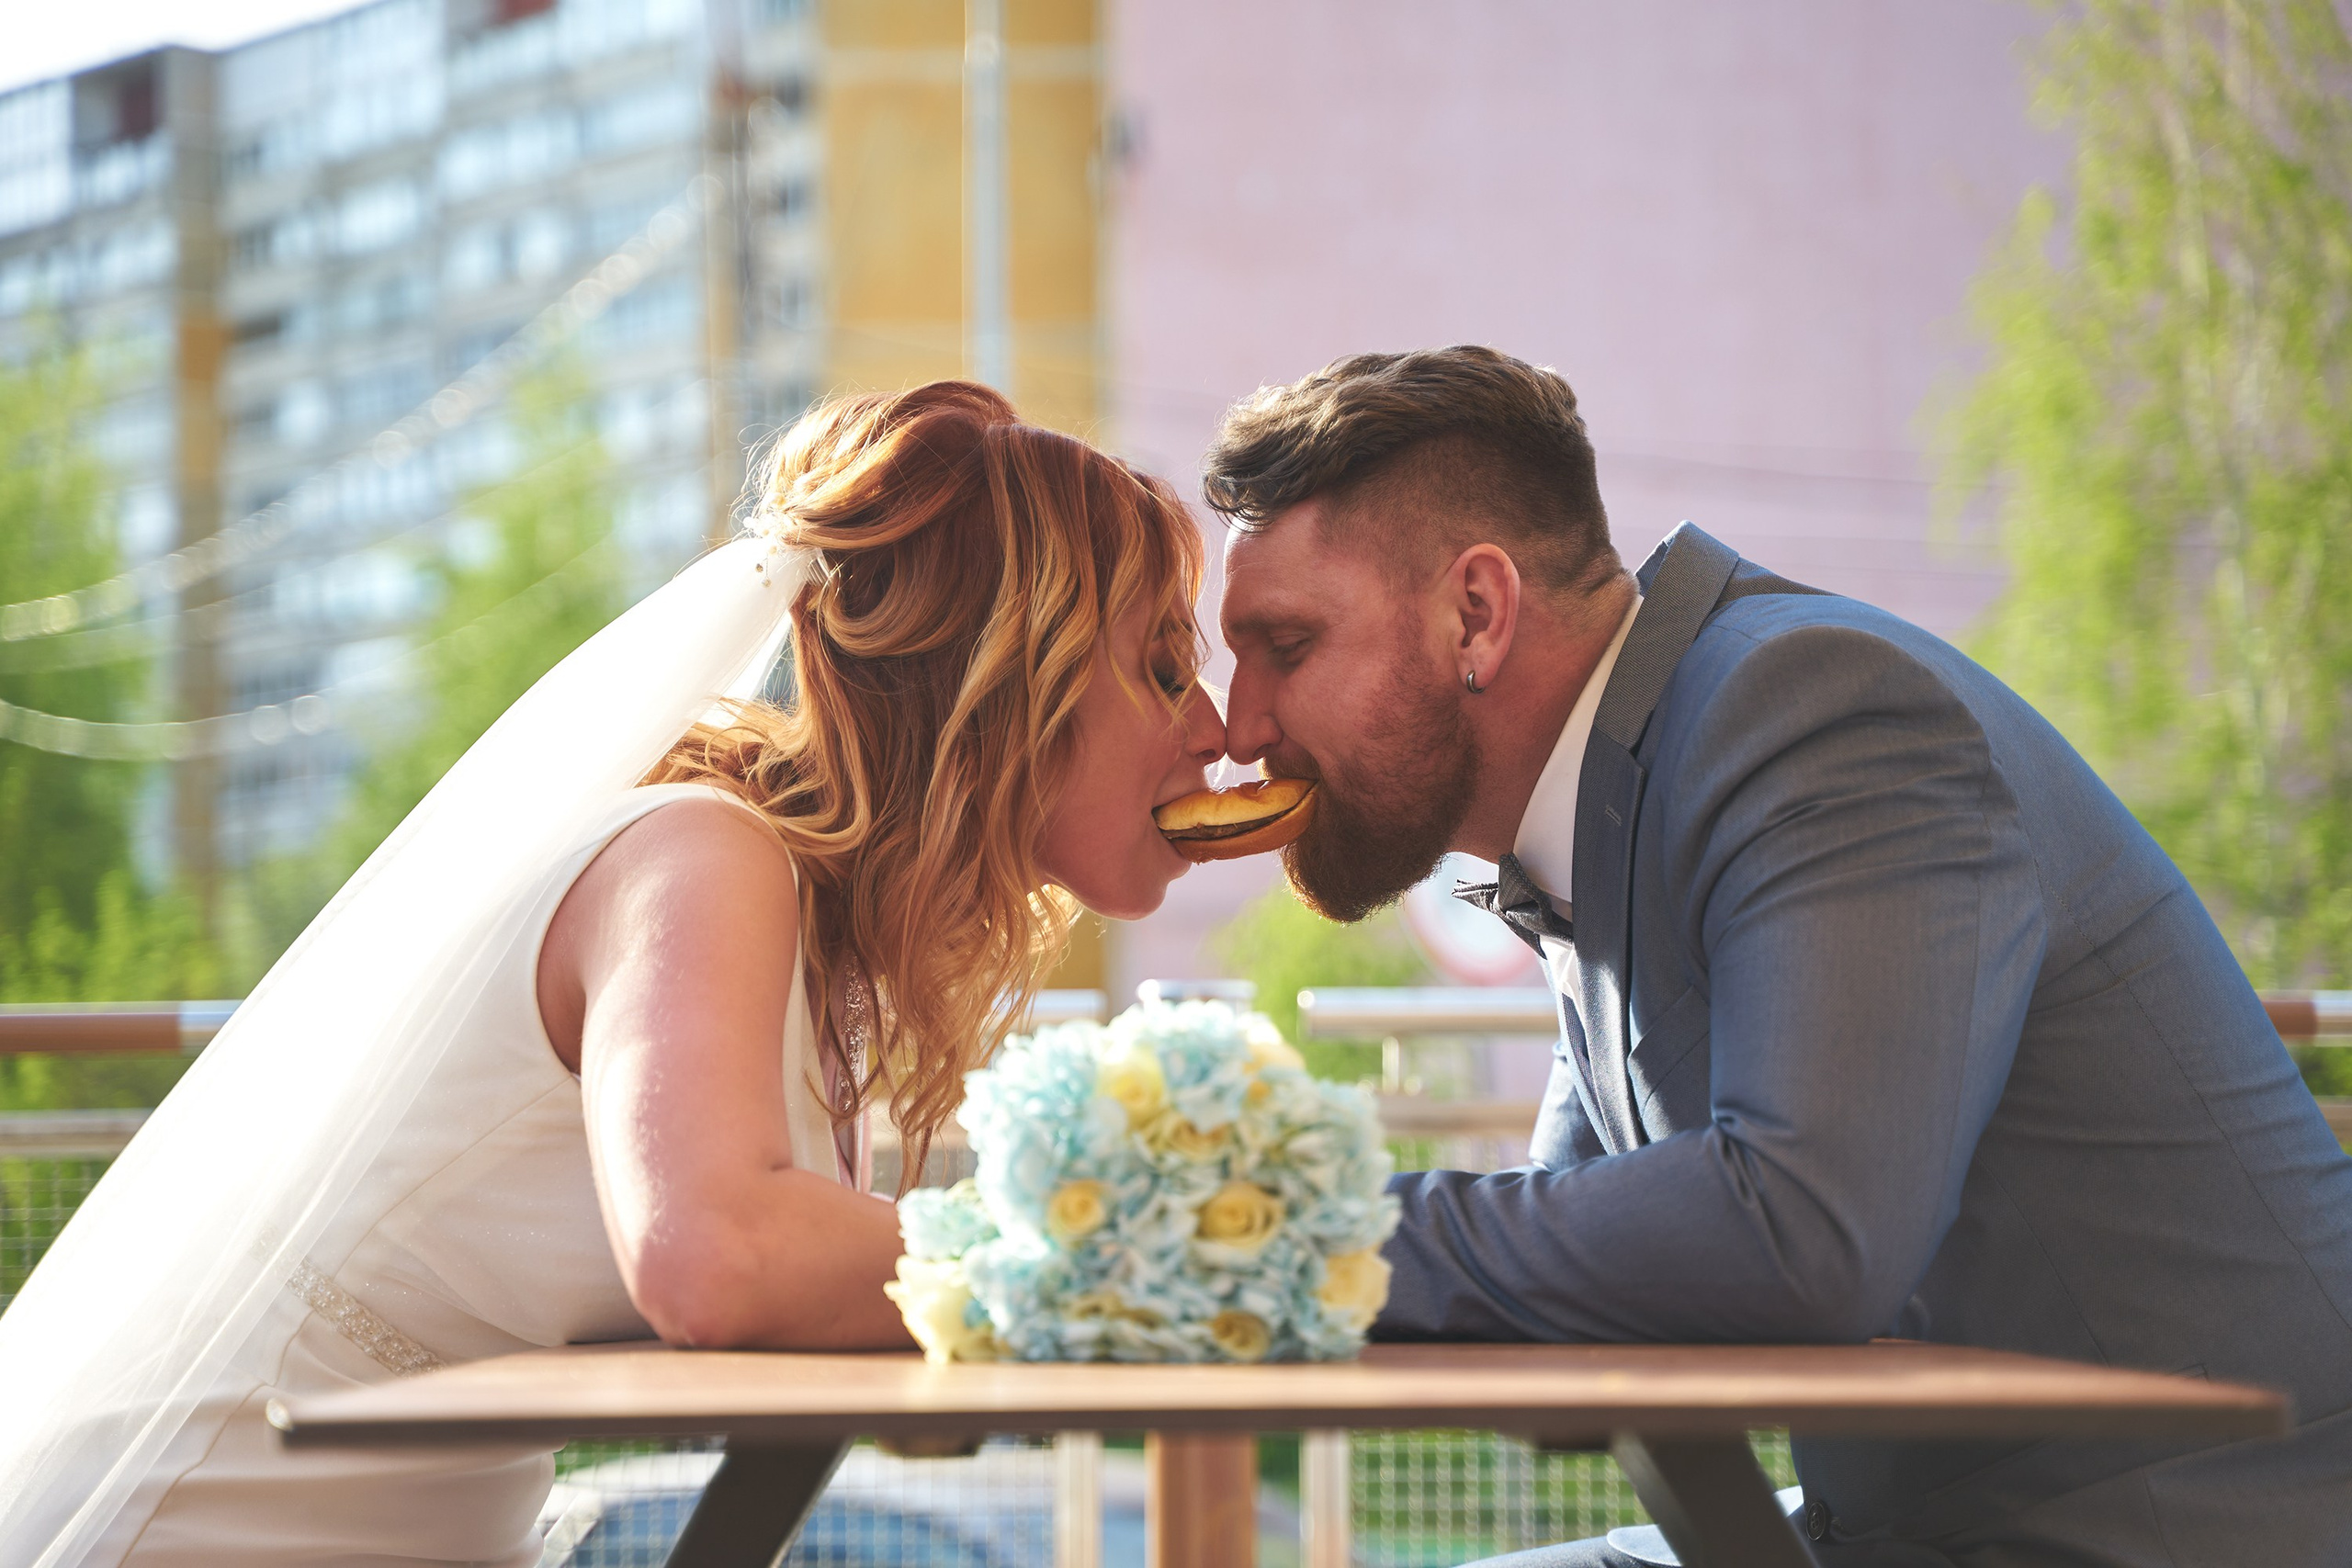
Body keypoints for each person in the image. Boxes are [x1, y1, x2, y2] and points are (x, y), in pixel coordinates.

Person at [0, 381, 1227, 1568]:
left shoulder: (804, 923)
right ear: (1007, 686)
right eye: (1166, 667)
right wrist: (1144, 1250)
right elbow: (719, 1259)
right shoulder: (701, 859)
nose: (1215, 731)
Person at [1207, 345, 2352, 1567]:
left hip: (2184, 1529)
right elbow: (1578, 1269)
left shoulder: (1810, 715)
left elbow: (1801, 1234)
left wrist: (1268, 1232)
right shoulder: (1607, 807)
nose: (1239, 726)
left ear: (1476, 613)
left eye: (1285, 646)